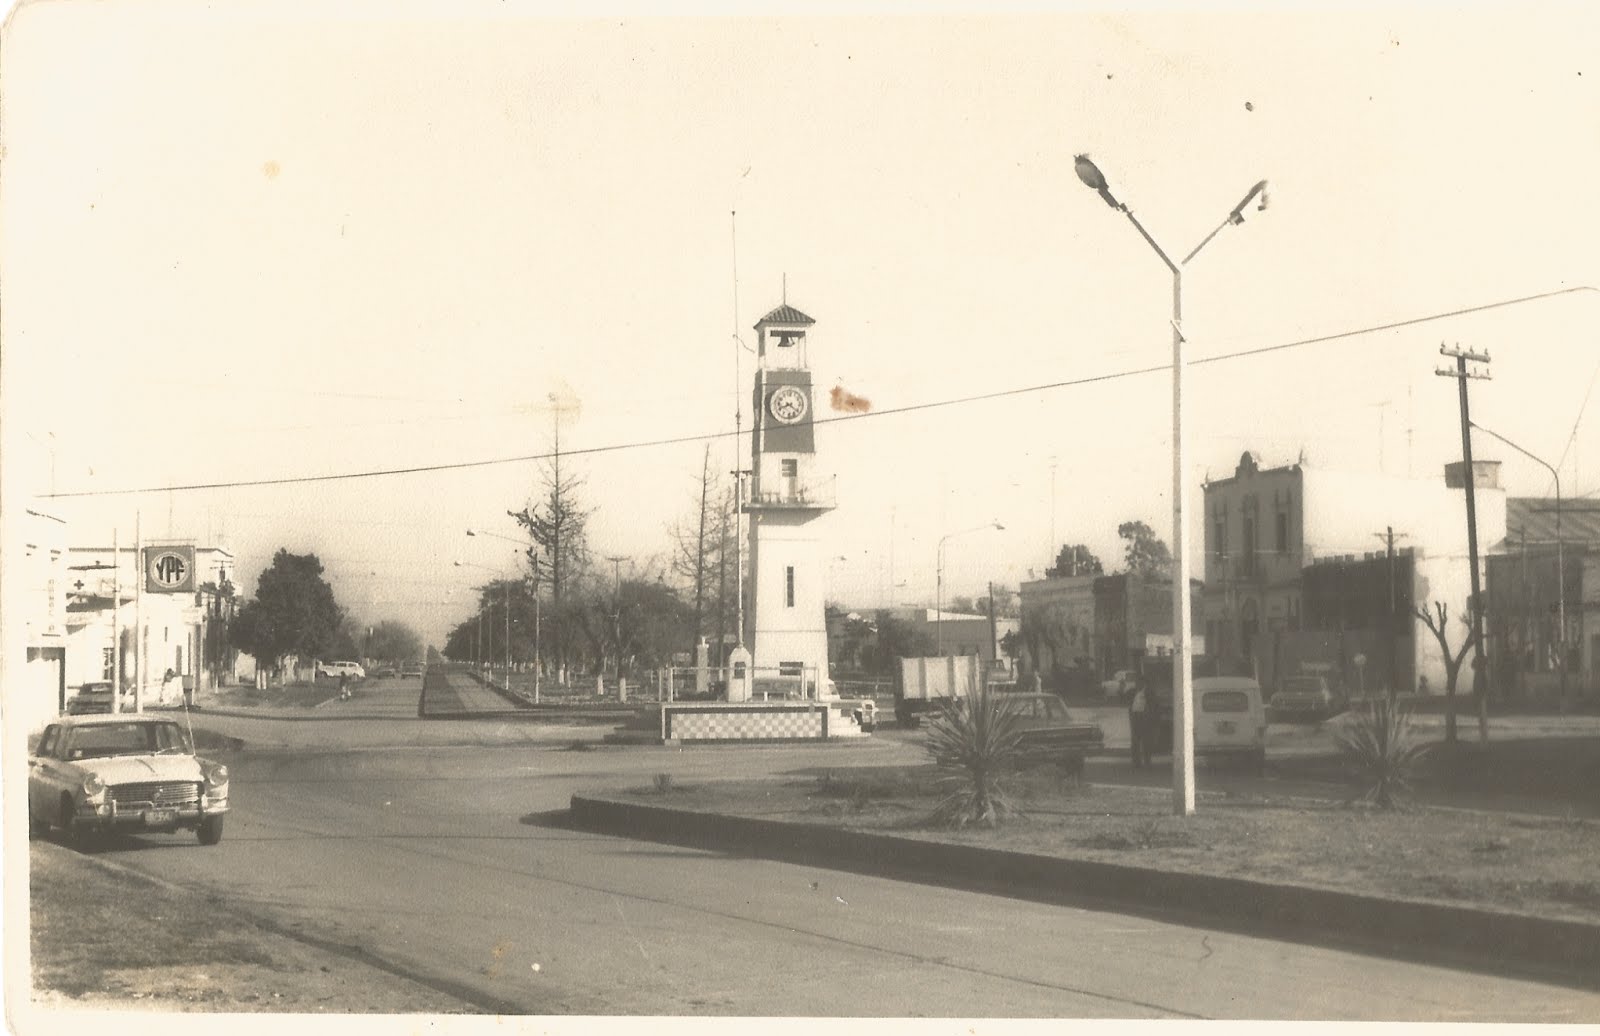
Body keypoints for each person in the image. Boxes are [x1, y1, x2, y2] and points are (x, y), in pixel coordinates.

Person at [1128, 684, 1148, 768]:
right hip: (1138, 717)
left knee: (1139, 740)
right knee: (1138, 740)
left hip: (1139, 717)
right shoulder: (1139, 695)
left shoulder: (1140, 695)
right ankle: (1137, 761)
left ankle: (1139, 761)